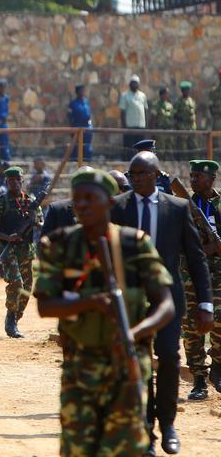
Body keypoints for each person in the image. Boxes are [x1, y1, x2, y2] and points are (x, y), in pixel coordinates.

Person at [35, 168, 175, 457]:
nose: (82, 205)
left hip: (126, 368)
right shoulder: (60, 245)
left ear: (111, 203)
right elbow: (45, 305)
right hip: (81, 370)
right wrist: (92, 302)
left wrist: (134, 332)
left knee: (125, 448)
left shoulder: (134, 245)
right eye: (77, 200)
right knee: (78, 450)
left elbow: (166, 305)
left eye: (90, 198)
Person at [110, 151, 213, 456]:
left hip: (168, 299)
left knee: (168, 357)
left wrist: (205, 302)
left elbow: (195, 258)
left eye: (142, 174)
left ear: (156, 175)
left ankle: (167, 423)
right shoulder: (118, 208)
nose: (136, 179)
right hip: (131, 302)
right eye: (132, 175)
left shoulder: (177, 208)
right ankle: (146, 432)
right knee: (139, 365)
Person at [0, 166, 43, 338]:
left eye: (17, 180)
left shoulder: (31, 202)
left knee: (26, 288)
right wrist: (7, 237)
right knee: (16, 284)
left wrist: (34, 222)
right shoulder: (0, 202)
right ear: (7, 182)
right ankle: (10, 321)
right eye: (11, 180)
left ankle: (15, 318)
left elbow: (41, 223)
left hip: (26, 251)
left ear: (22, 181)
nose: (14, 183)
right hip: (8, 251)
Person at [180, 160, 221, 401]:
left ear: (211, 179)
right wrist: (209, 248)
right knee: (191, 327)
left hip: (218, 274)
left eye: (198, 177)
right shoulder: (184, 206)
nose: (193, 180)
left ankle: (217, 363)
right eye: (191, 176)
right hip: (190, 275)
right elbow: (181, 245)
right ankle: (198, 378)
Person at [119, 74, 148, 159]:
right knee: (129, 147)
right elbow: (122, 112)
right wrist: (124, 126)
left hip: (141, 126)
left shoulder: (142, 95)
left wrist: (146, 125)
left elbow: (145, 109)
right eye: (133, 83)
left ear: (138, 84)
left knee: (141, 147)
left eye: (136, 83)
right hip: (130, 127)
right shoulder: (125, 95)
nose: (134, 85)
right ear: (130, 84)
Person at [67, 84, 93, 162]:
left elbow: (89, 113)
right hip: (77, 126)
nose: (83, 92)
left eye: (84, 90)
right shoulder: (73, 103)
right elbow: (70, 116)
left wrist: (90, 124)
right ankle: (75, 161)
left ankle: (88, 160)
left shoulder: (86, 102)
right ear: (77, 92)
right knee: (77, 146)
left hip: (87, 127)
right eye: (81, 90)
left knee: (87, 146)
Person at [173, 81, 198, 159]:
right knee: (183, 147)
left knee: (193, 146)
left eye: (188, 90)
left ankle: (194, 162)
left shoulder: (192, 101)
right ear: (182, 91)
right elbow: (175, 115)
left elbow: (194, 112)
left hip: (192, 127)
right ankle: (183, 162)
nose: (187, 91)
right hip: (182, 127)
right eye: (185, 90)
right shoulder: (179, 102)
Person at [151, 87, 175, 157]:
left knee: (169, 148)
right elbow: (153, 118)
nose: (167, 95)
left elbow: (172, 117)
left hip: (169, 130)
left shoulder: (169, 105)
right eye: (166, 94)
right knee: (160, 150)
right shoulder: (156, 105)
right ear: (162, 95)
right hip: (160, 130)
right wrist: (153, 131)